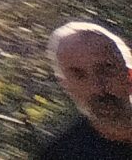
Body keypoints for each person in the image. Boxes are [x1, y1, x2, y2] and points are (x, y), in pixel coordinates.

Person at [41, 22, 132, 159]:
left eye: (106, 70)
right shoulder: (61, 155)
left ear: (129, 74)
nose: (97, 87)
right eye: (79, 75)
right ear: (66, 85)